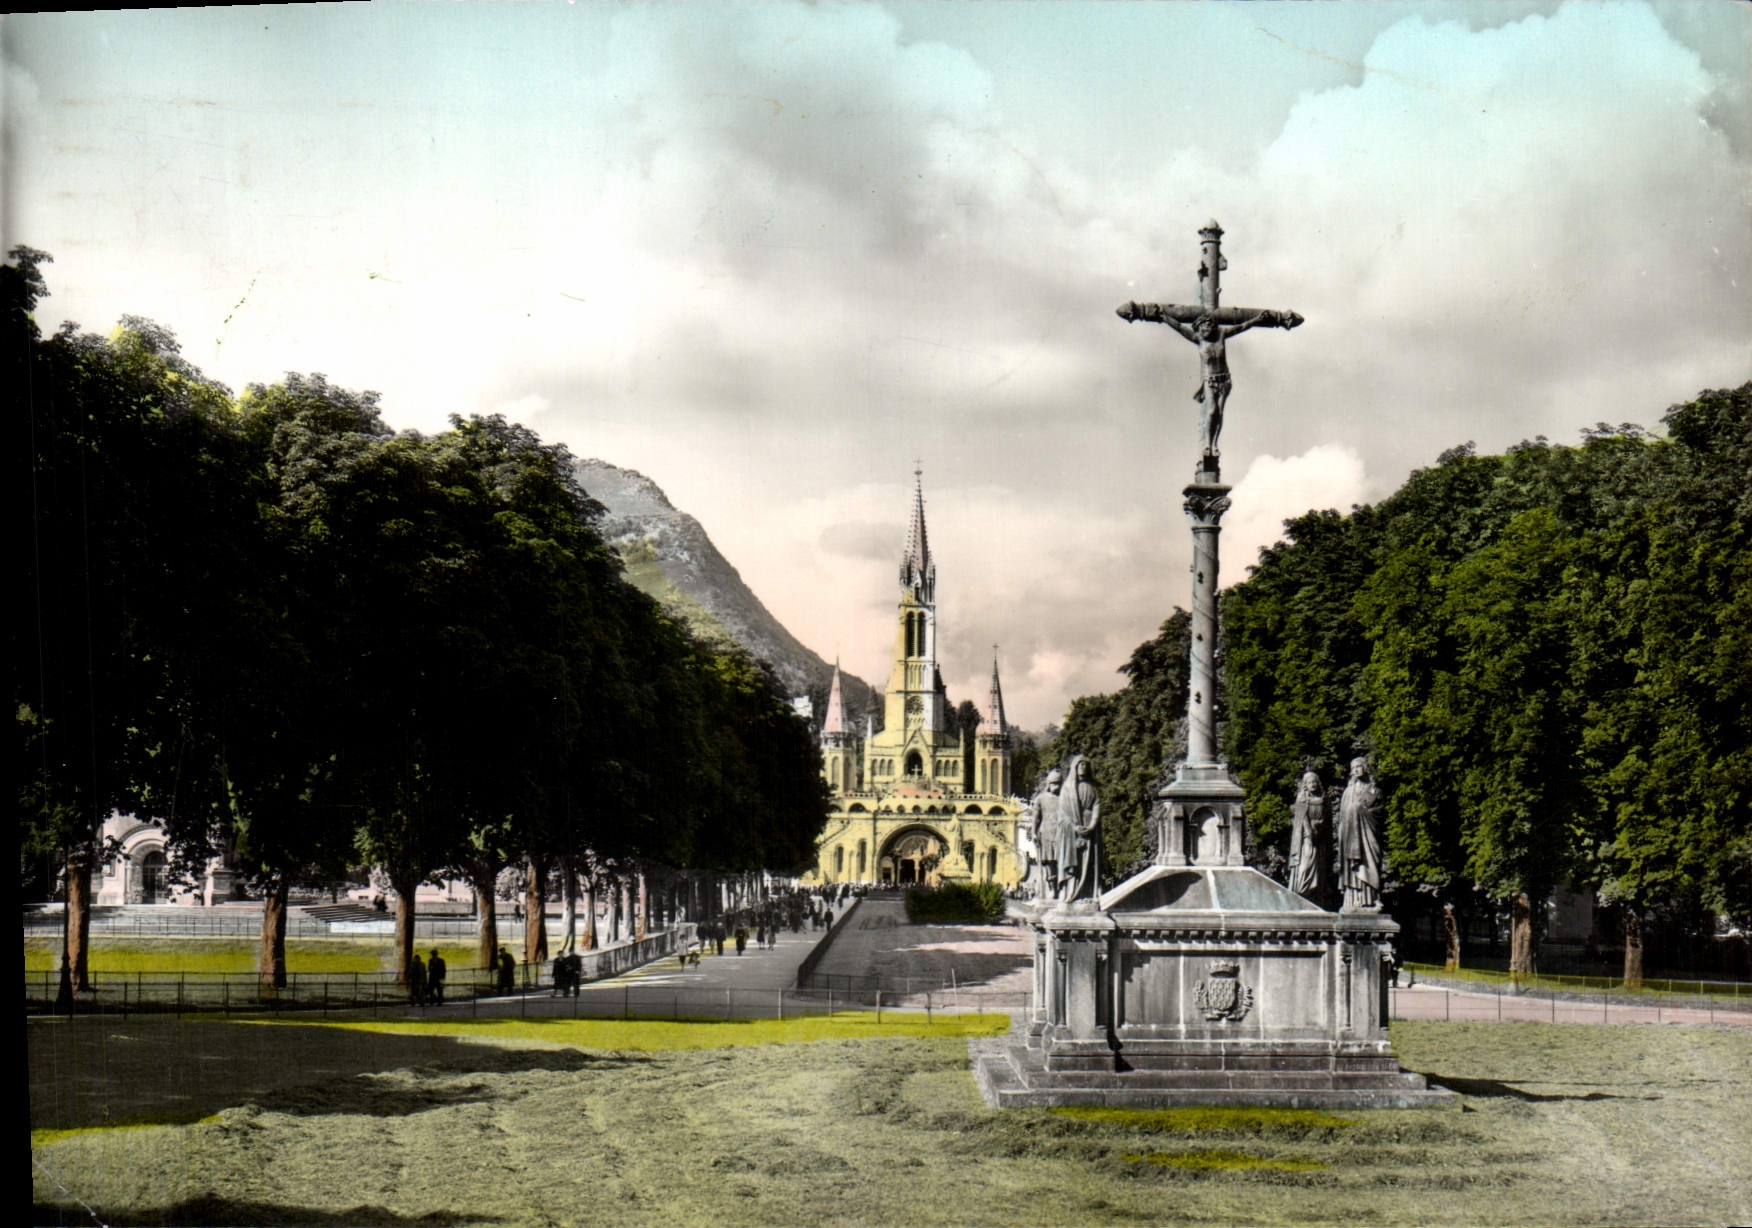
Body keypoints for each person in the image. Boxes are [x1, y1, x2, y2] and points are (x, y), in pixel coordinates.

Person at [1336, 756, 1385, 912]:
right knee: (1354, 869)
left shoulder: (1374, 790)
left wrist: (1361, 811)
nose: (1355, 770)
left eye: (1359, 766)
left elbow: (1380, 813)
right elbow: (1342, 818)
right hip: (1351, 837)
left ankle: (1371, 900)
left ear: (1365, 768)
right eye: (1353, 767)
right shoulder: (1348, 792)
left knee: (1370, 863)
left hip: (1368, 835)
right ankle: (1354, 900)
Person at [1056, 756, 1101, 903]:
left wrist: (1092, 825)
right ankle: (1071, 893)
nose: (1083, 767)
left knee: (1088, 864)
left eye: (1086, 765)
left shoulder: (1092, 788)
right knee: (1074, 863)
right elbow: (1062, 813)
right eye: (1080, 764)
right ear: (1074, 767)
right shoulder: (1067, 789)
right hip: (1071, 831)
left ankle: (1087, 894)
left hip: (1089, 829)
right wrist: (1075, 827)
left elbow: (1097, 806)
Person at [1288, 768, 1327, 901]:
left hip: (1318, 836)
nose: (1313, 784)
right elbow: (1302, 817)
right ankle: (1301, 890)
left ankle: (1313, 893)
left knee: (1318, 865)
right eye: (1310, 782)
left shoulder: (1322, 798)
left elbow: (1325, 817)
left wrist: (1319, 826)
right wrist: (1309, 830)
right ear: (1305, 784)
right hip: (1306, 837)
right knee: (1305, 864)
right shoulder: (1302, 799)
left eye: (1314, 782)